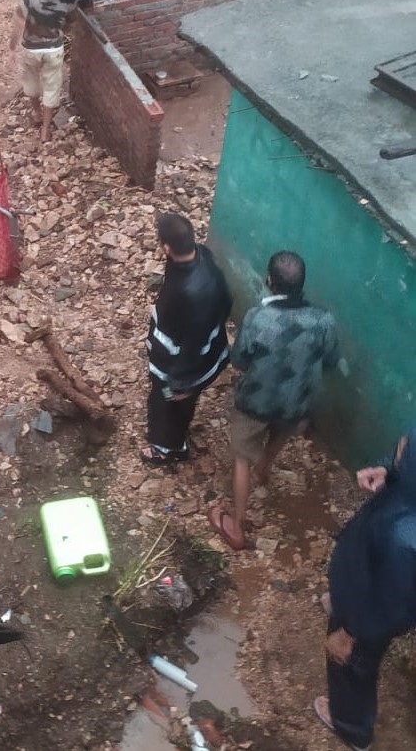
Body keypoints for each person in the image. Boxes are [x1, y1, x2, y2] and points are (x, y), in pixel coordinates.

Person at [208, 251, 339, 551]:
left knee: (241, 458)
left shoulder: (258, 318)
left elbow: (239, 360)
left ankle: (237, 527)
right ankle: (264, 469)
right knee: (281, 433)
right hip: (297, 402)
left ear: (269, 281)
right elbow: (330, 361)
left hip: (256, 402)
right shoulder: (324, 320)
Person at [314, 427, 416, 751]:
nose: (400, 446)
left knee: (351, 661)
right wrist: (390, 470)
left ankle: (350, 726)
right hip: (379, 551)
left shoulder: (406, 539)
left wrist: (352, 630)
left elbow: (393, 602)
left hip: (373, 602)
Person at [143, 212, 232, 466]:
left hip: (181, 363)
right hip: (207, 352)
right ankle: (175, 436)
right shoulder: (203, 256)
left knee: (167, 403)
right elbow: (226, 301)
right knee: (176, 402)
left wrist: (180, 382)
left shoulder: (188, 292)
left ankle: (168, 449)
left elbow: (192, 345)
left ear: (167, 247)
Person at [9, 0, 76, 144]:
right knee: (51, 87)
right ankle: (45, 129)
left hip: (31, 49)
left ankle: (37, 113)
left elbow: (19, 19)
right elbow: (71, 24)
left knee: (31, 82)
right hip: (53, 49)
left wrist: (12, 46)